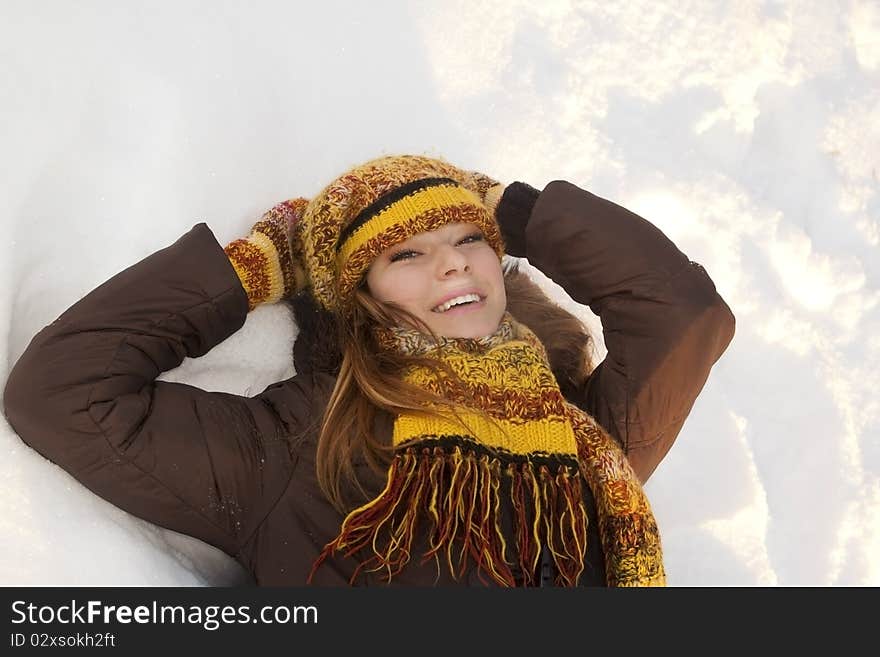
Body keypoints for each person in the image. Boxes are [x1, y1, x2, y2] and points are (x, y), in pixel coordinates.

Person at [3, 154, 735, 586]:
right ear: (360, 298)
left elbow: (685, 314)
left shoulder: (580, 441)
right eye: (405, 253)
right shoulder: (306, 442)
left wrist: (511, 206)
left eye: (466, 238)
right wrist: (250, 272)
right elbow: (65, 390)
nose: (450, 259)